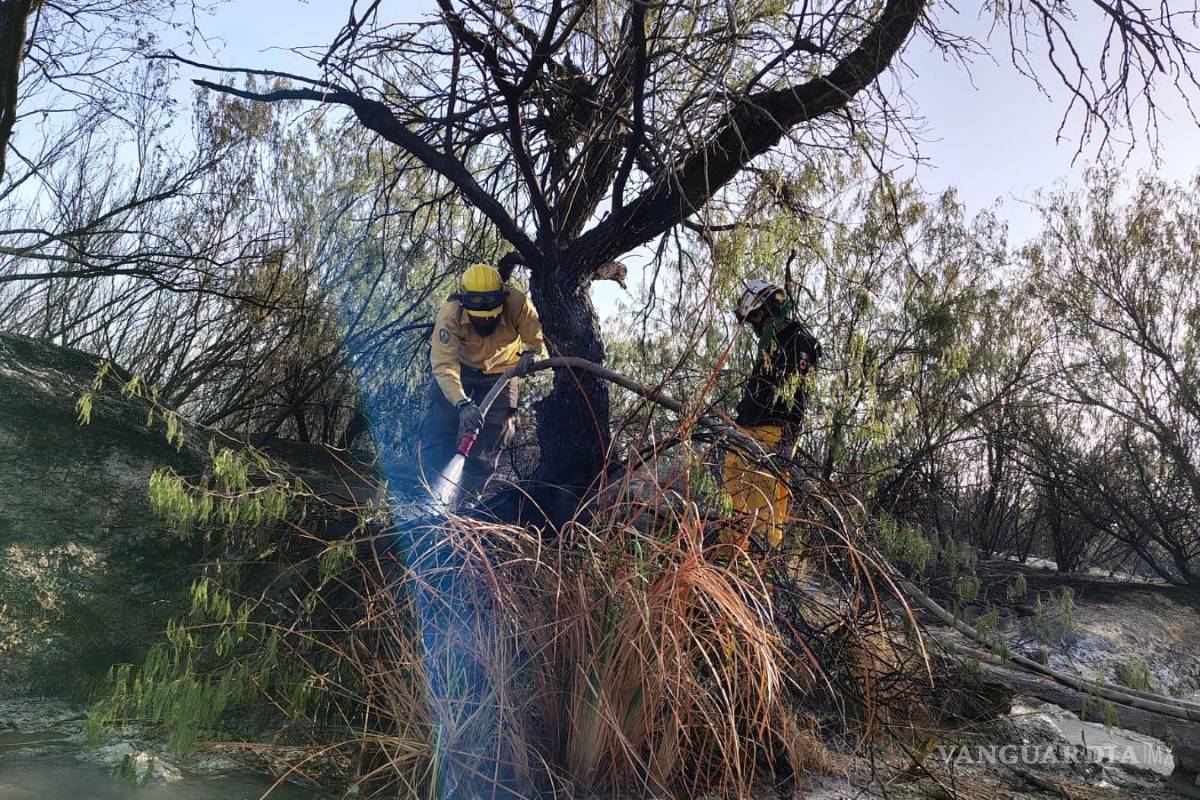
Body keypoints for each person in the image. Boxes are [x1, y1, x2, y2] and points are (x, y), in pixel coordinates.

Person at [416, 263, 547, 497]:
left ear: (502, 299)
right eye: (479, 318)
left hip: (503, 371)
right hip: (460, 369)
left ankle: (468, 501)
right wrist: (462, 404)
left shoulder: (518, 304)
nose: (486, 322)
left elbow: (537, 341)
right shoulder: (451, 313)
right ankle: (429, 494)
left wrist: (533, 355)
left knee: (496, 432)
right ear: (464, 302)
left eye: (492, 316)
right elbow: (444, 365)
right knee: (438, 426)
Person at [723, 279, 821, 549]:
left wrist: (787, 439)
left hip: (772, 432)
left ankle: (753, 568)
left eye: (755, 317)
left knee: (761, 508)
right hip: (748, 428)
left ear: (767, 309)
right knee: (733, 492)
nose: (754, 325)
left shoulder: (799, 340)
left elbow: (798, 392)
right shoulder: (772, 340)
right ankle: (726, 557)